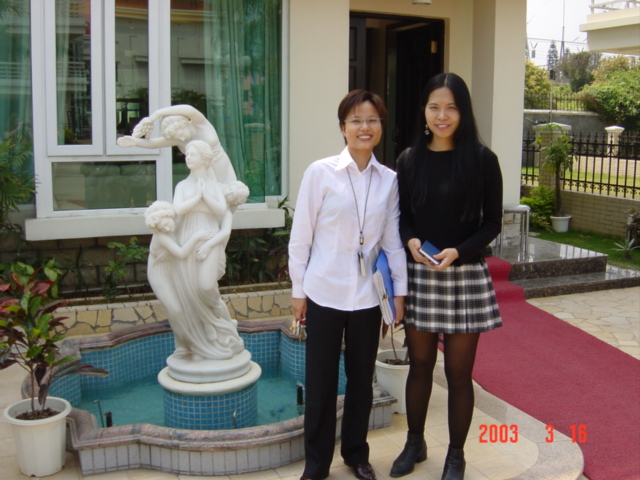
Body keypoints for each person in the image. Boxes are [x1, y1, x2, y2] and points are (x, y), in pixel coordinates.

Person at [288, 90, 408, 480]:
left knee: (360, 380)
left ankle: (356, 454)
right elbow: (300, 237)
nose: (364, 127)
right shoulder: (320, 172)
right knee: (321, 383)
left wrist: (399, 295)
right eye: (356, 120)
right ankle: (316, 464)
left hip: (366, 296)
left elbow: (391, 242)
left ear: (380, 126)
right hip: (323, 291)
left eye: (372, 120)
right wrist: (297, 290)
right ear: (343, 127)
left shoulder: (388, 180)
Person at [391, 73, 503, 480]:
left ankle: (456, 456)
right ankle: (415, 443)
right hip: (422, 275)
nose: (442, 115)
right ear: (424, 111)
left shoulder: (482, 159)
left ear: (463, 112)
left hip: (465, 275)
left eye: (451, 107)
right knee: (419, 365)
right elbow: (399, 218)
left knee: (458, 373)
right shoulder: (408, 160)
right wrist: (411, 241)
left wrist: (460, 251)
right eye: (434, 106)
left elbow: (492, 223)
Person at [169, 139, 246, 361]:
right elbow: (177, 209)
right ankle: (201, 338)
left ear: (204, 159)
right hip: (188, 238)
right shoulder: (182, 186)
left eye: (192, 154)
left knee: (205, 286)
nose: (188, 157)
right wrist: (197, 196)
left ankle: (222, 325)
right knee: (189, 291)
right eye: (187, 154)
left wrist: (205, 195)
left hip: (210, 238)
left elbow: (222, 210)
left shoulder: (215, 187)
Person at [144, 201, 213, 357]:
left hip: (173, 269)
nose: (168, 228)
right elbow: (181, 254)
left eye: (167, 224)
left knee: (186, 305)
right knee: (175, 309)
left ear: (170, 217)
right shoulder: (161, 236)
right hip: (160, 273)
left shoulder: (177, 226)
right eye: (162, 227)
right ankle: (189, 344)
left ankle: (184, 345)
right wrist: (196, 237)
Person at [116, 104, 238, 190]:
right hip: (202, 174)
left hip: (221, 165)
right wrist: (135, 141)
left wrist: (156, 115)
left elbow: (189, 109)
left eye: (179, 134)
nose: (181, 139)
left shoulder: (200, 125)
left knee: (231, 199)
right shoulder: (179, 140)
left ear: (183, 125)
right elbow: (154, 143)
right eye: (177, 138)